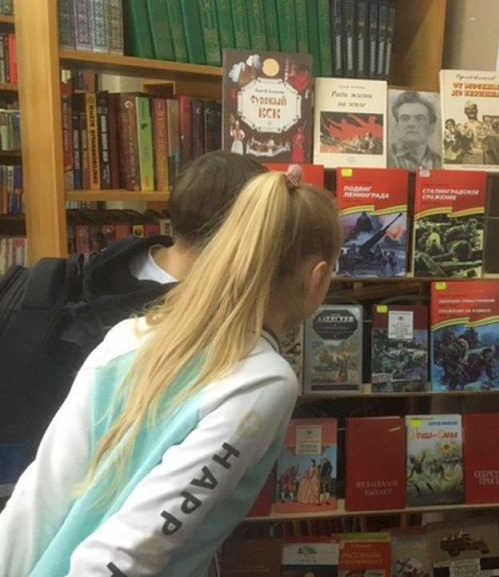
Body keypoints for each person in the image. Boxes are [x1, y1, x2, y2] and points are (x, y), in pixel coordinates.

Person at [0, 169, 341, 575]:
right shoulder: (263, 380)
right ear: (318, 277)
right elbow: (134, 546)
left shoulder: (129, 335)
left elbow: (38, 498)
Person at [0, 151, 268, 492]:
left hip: (35, 473)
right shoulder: (190, 317)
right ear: (244, 230)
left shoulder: (112, 261)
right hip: (116, 489)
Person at [388, 90, 442, 170]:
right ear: (397, 126)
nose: (411, 124)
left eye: (419, 118)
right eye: (405, 118)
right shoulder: (386, 158)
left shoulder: (440, 162)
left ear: (431, 127)